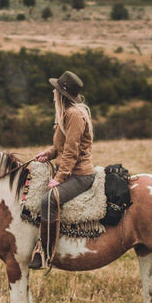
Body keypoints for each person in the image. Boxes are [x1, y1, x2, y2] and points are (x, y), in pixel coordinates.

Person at [29, 70, 95, 269]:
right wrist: (47, 154)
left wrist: (60, 177)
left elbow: (71, 150)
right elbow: (60, 147)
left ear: (61, 94)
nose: (52, 93)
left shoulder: (74, 115)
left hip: (80, 174)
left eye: (55, 90)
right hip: (70, 170)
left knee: (49, 200)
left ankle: (46, 252)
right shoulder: (65, 114)